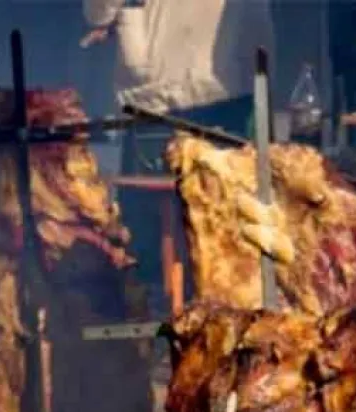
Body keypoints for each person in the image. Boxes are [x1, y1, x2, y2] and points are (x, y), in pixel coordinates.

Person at [80, 0, 275, 291]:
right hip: (233, 82)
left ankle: (162, 319)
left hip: (160, 93)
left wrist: (109, 17)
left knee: (152, 243)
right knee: (235, 231)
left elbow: (99, 9)